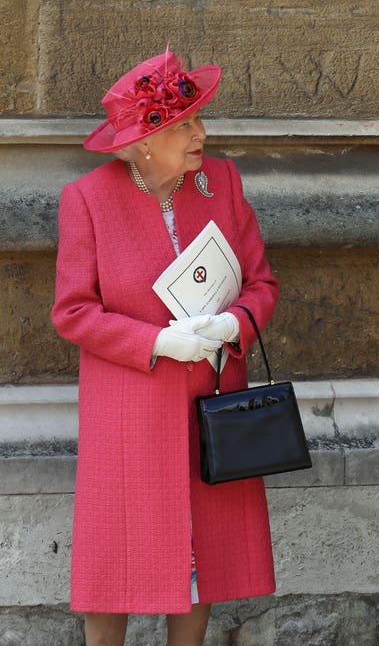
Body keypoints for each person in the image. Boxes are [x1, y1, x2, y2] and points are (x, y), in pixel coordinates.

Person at [52, 49, 280, 646]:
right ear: (147, 140)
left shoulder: (221, 182)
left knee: (200, 556)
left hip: (208, 402)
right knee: (115, 564)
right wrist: (156, 339)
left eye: (198, 120)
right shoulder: (87, 199)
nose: (201, 134)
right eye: (184, 125)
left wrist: (234, 326)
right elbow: (72, 311)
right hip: (129, 408)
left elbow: (261, 283)